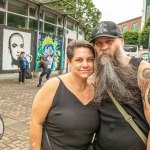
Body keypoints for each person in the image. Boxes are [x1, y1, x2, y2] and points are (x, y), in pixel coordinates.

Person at [90, 21, 150, 150]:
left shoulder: (143, 70)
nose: (104, 47)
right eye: (98, 43)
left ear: (122, 41)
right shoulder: (99, 72)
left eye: (109, 41)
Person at [29, 40, 100, 150]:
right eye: (79, 60)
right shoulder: (53, 86)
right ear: (69, 61)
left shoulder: (97, 90)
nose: (85, 64)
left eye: (90, 60)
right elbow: (36, 123)